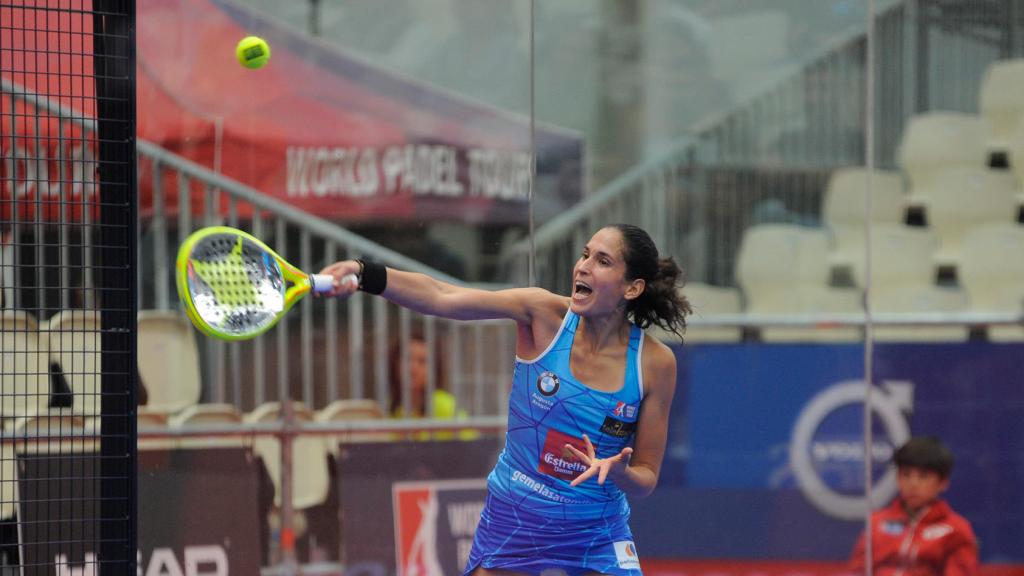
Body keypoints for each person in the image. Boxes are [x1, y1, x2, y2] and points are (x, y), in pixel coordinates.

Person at [320, 224, 690, 575]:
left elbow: (647, 478)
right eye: (585, 255)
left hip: (597, 531)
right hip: (516, 518)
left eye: (603, 261)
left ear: (632, 288)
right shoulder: (542, 314)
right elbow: (442, 295)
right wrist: (364, 273)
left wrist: (622, 472)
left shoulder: (654, 364)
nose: (584, 267)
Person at [849, 436, 978, 576]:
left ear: (943, 482)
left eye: (923, 476)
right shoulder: (877, 523)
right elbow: (858, 571)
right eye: (906, 475)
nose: (913, 484)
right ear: (898, 478)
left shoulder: (956, 530)